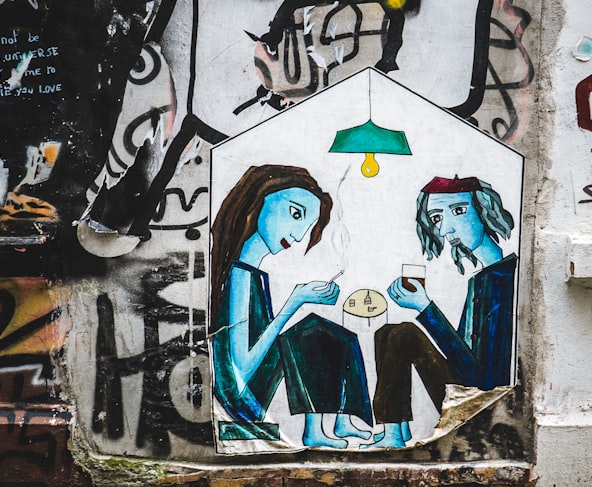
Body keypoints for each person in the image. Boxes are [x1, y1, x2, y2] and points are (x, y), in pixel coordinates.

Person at [210, 164, 373, 449]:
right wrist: (295, 301)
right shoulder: (239, 276)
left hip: (247, 386)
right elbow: (240, 370)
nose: (298, 236)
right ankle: (315, 430)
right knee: (310, 332)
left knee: (332, 334)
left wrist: (301, 300)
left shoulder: (251, 271)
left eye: (306, 226)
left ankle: (342, 417)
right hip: (238, 398)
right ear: (260, 199)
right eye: (295, 214)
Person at [369, 176, 517, 448]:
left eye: (459, 211)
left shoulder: (505, 277)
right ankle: (395, 429)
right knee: (388, 331)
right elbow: (462, 354)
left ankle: (393, 433)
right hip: (469, 390)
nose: (446, 227)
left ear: (484, 210)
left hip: (483, 404)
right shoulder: (482, 279)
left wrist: (427, 310)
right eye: (436, 218)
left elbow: (484, 378)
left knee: (404, 334)